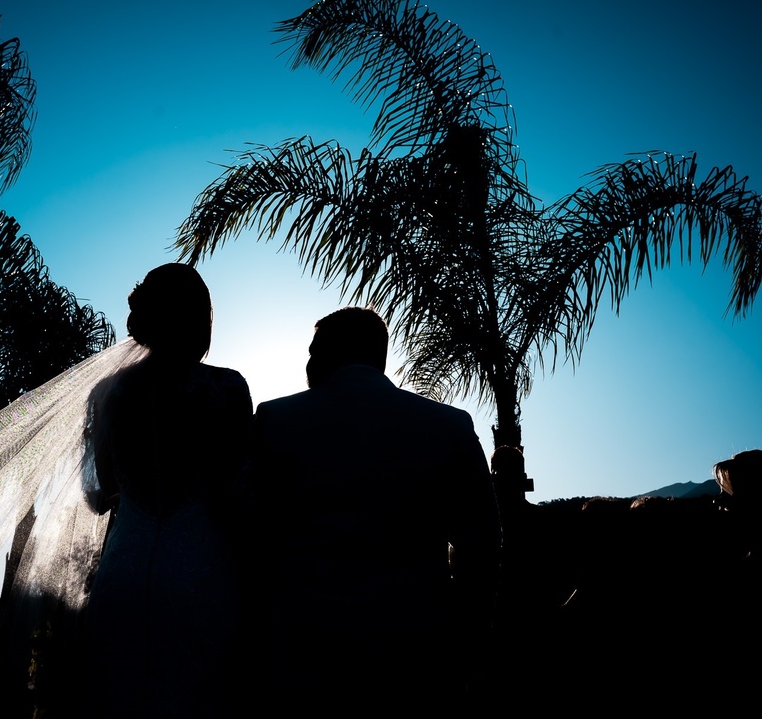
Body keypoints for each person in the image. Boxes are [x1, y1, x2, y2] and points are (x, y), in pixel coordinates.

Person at [249, 307, 500, 712]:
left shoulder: (275, 420)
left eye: (313, 353)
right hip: (417, 654)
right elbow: (482, 545)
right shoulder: (450, 426)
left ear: (328, 355)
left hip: (304, 653)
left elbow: (251, 533)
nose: (308, 364)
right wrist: (470, 638)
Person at [76, 263, 253, 718]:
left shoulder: (106, 393)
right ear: (200, 318)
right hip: (201, 565)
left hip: (125, 568)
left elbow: (101, 492)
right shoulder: (224, 387)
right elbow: (238, 491)